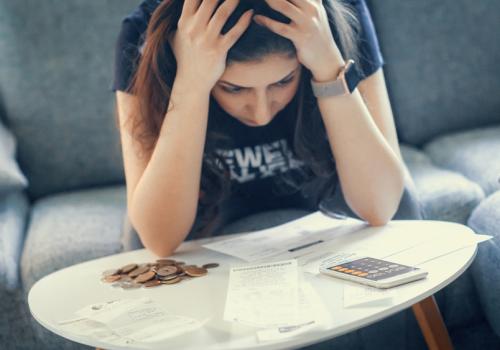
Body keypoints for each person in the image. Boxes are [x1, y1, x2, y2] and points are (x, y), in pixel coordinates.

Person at [112, 0, 422, 257]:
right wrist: (191, 82)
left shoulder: (340, 14)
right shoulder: (145, 35)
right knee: (142, 226)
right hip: (204, 208)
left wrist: (328, 66)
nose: (261, 114)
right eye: (233, 89)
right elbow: (158, 237)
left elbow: (381, 204)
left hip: (329, 187)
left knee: (399, 191)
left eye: (284, 81)